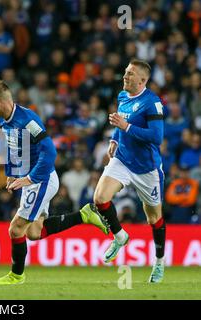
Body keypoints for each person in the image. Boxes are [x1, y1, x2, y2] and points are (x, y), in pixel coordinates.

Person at [0, 80, 109, 285]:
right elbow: (14, 150)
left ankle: (16, 275)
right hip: (29, 180)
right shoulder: (5, 121)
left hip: (40, 179)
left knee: (15, 229)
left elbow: (50, 151)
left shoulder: (28, 120)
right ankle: (84, 215)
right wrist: (12, 173)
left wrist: (31, 178)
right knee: (34, 232)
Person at [93, 59, 166, 283]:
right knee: (100, 198)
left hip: (147, 168)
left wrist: (126, 128)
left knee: (153, 217)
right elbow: (121, 122)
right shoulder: (123, 96)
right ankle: (119, 235)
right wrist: (116, 138)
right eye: (125, 72)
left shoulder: (152, 103)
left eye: (131, 74)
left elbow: (156, 137)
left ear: (143, 80)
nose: (125, 76)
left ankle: (160, 262)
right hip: (123, 160)